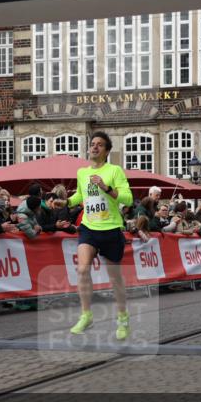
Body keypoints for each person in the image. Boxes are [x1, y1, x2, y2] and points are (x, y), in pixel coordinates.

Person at [66, 131, 133, 340]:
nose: (94, 147)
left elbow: (128, 199)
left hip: (111, 228)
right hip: (89, 227)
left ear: (106, 150)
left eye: (99, 145)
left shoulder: (114, 170)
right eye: (92, 144)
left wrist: (106, 188)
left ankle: (123, 318)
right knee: (83, 268)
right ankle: (86, 314)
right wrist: (66, 202)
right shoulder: (82, 173)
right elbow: (80, 195)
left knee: (115, 279)